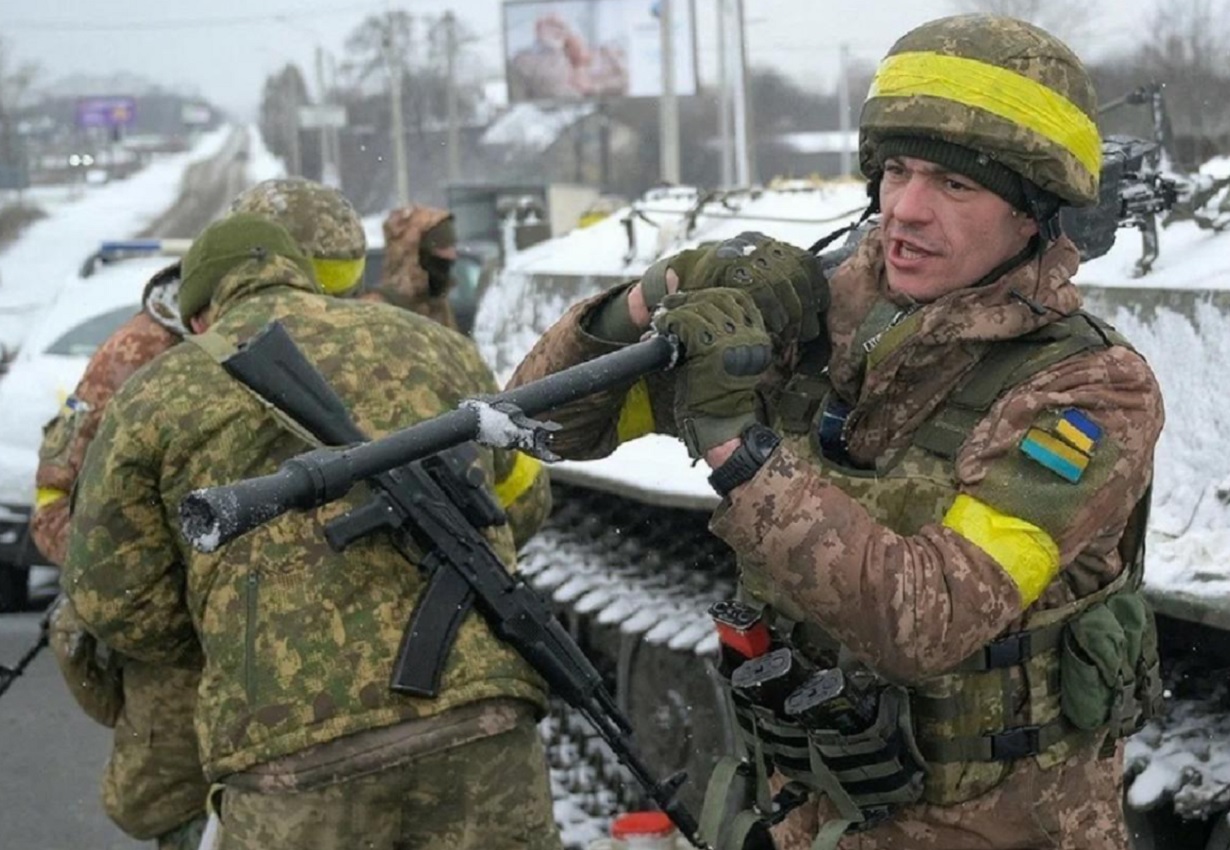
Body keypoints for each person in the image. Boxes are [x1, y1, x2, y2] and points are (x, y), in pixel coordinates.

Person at [508, 15, 1163, 850]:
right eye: (896, 172)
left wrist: (733, 446)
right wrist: (655, 292)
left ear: (1034, 214)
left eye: (956, 186)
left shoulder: (1087, 390)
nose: (908, 211)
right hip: (803, 815)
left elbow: (928, 621)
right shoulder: (814, 323)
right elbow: (540, 423)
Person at [62, 213, 561, 850]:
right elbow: (520, 504)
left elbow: (110, 595)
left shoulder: (155, 394)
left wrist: (235, 627)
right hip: (481, 720)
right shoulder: (438, 345)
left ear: (198, 318)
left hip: (289, 754)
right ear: (306, 280)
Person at [361, 205, 461, 330]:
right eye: (442, 247)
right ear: (415, 255)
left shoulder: (438, 305)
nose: (452, 255)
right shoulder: (375, 308)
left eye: (452, 246)